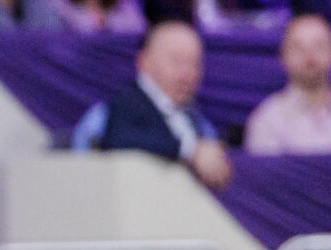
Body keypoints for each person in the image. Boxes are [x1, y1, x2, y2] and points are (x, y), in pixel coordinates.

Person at [72, 21, 233, 190]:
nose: (187, 74)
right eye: (176, 61)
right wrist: (190, 150)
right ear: (144, 61)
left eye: (194, 63)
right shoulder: (111, 112)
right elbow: (118, 140)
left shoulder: (197, 121)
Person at [243, 15, 331, 156]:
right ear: (283, 56)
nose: (309, 56)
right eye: (298, 47)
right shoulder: (267, 121)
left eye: (318, 46)